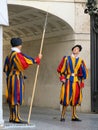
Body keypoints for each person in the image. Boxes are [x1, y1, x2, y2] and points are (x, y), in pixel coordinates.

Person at [3, 38, 42, 123]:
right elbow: (26, 61)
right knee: (17, 96)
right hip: (16, 78)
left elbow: (5, 69)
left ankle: (11, 117)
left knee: (11, 97)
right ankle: (16, 117)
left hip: (10, 78)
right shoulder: (17, 54)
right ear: (18, 45)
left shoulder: (8, 55)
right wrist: (37, 59)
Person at [57, 45, 88, 122]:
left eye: (77, 49)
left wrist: (82, 80)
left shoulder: (81, 61)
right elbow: (60, 69)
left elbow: (83, 72)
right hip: (68, 80)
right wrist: (62, 78)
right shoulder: (66, 58)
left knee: (75, 98)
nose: (75, 49)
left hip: (76, 81)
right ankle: (62, 115)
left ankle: (74, 116)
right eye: (74, 48)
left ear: (79, 51)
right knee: (66, 97)